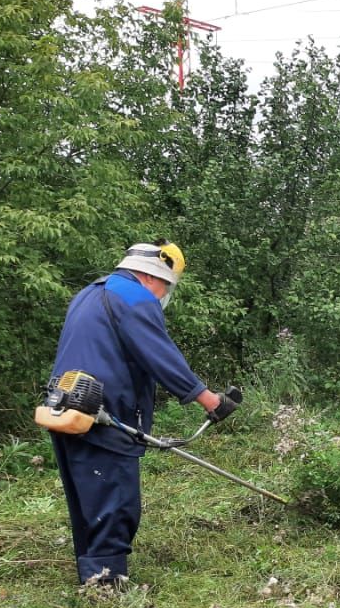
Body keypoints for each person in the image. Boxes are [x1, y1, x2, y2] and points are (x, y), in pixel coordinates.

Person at [46, 241, 238, 588]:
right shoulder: (134, 297)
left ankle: (93, 571)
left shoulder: (90, 293)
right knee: (115, 498)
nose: (164, 296)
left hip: (63, 406)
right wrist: (209, 400)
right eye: (167, 287)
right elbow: (159, 354)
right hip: (101, 413)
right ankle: (106, 583)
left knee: (87, 496)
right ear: (154, 277)